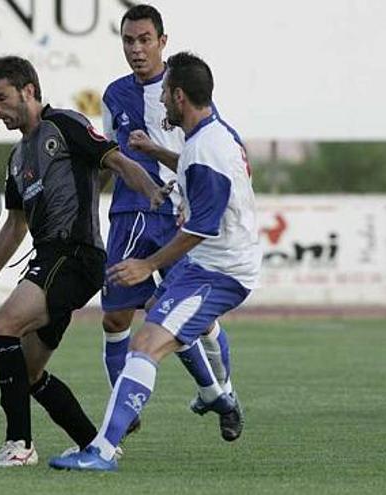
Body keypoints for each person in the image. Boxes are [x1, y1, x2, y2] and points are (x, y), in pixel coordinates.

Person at [49, 52, 261, 471]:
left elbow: (200, 227)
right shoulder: (214, 137)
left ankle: (103, 451)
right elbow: (191, 169)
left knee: (145, 344)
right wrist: (158, 155)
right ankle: (213, 395)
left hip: (216, 272)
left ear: (179, 96)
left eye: (165, 92)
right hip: (211, 266)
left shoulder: (207, 151)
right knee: (160, 338)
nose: (161, 98)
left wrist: (148, 266)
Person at [0, 55, 171, 467]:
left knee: (3, 328)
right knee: (29, 373)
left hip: (75, 254)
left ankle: (19, 445)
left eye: (1, 99)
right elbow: (15, 226)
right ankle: (93, 445)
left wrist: (151, 191)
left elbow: (117, 160)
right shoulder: (17, 158)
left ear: (28, 91)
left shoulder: (64, 125)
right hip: (49, 258)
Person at [101, 3, 236, 438]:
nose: (136, 50)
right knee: (115, 318)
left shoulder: (185, 96)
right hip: (128, 216)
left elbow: (202, 162)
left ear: (162, 41)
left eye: (144, 40)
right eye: (128, 41)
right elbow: (109, 157)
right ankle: (125, 412)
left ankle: (220, 391)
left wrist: (166, 170)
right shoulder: (114, 94)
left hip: (179, 218)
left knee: (189, 320)